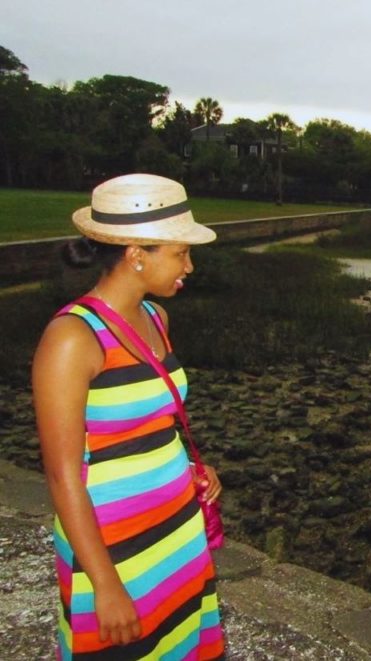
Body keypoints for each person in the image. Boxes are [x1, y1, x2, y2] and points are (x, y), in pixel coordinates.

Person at [32, 174, 225, 659]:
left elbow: (154, 421)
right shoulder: (73, 340)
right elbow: (61, 475)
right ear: (137, 253)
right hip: (113, 543)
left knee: (176, 642)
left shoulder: (157, 319)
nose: (190, 265)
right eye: (181, 252)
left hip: (176, 530)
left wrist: (189, 467)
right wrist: (105, 584)